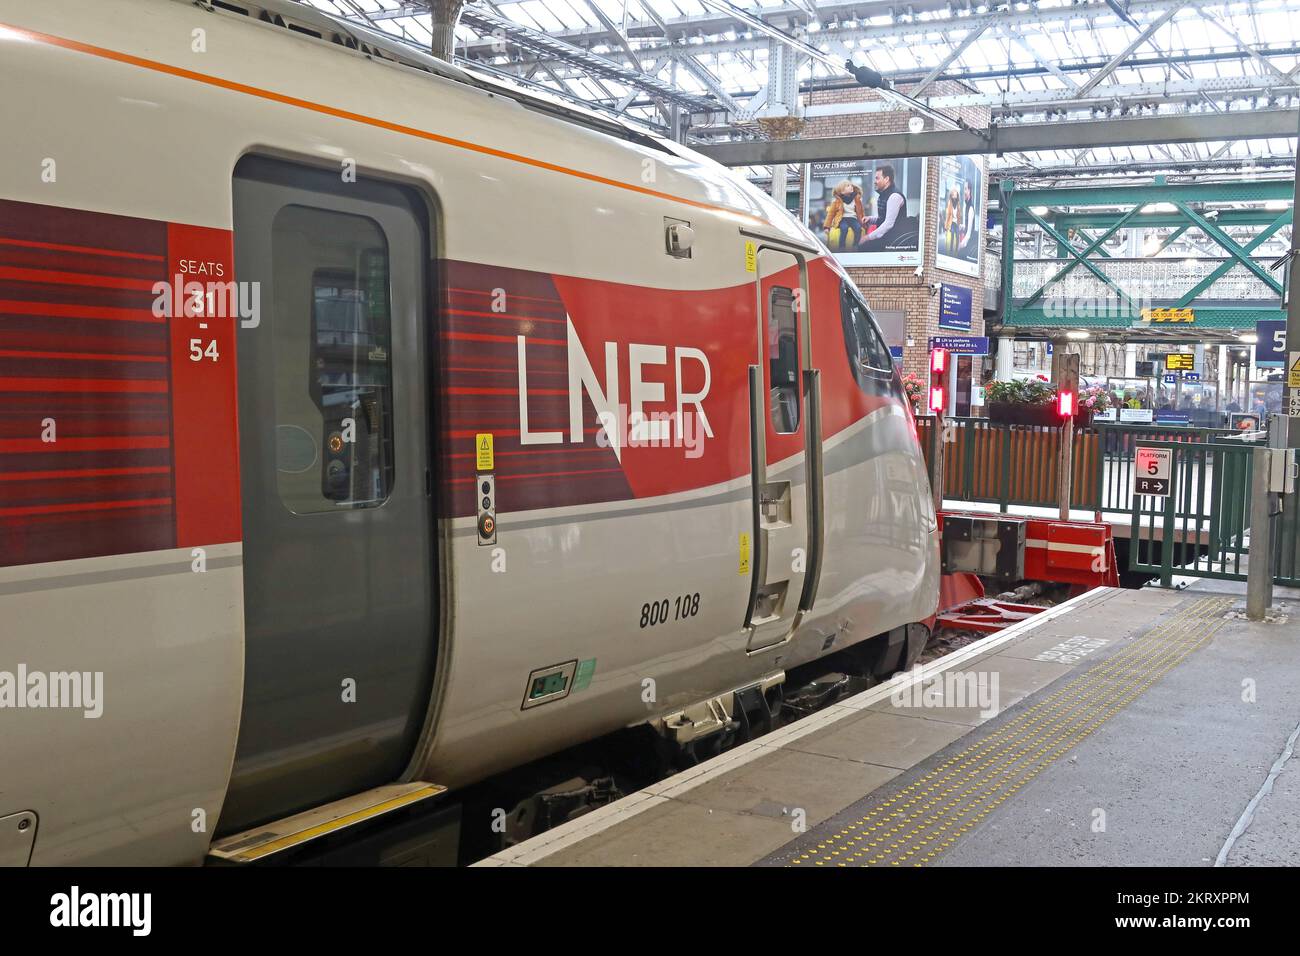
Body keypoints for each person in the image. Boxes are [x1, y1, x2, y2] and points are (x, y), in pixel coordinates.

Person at [860, 164, 908, 250]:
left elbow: (888, 224)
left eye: (877, 178)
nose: (875, 181)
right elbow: (883, 218)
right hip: (886, 238)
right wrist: (870, 219)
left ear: (886, 179)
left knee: (863, 247)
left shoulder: (894, 196)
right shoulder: (883, 194)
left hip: (893, 242)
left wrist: (867, 237)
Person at [822, 180, 867, 252]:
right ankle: (841, 246)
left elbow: (861, 212)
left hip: (853, 218)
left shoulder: (857, 199)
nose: (851, 186)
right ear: (842, 191)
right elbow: (830, 214)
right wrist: (827, 227)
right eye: (848, 186)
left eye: (851, 185)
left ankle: (856, 245)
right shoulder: (837, 201)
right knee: (844, 228)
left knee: (858, 228)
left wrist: (864, 223)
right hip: (842, 219)